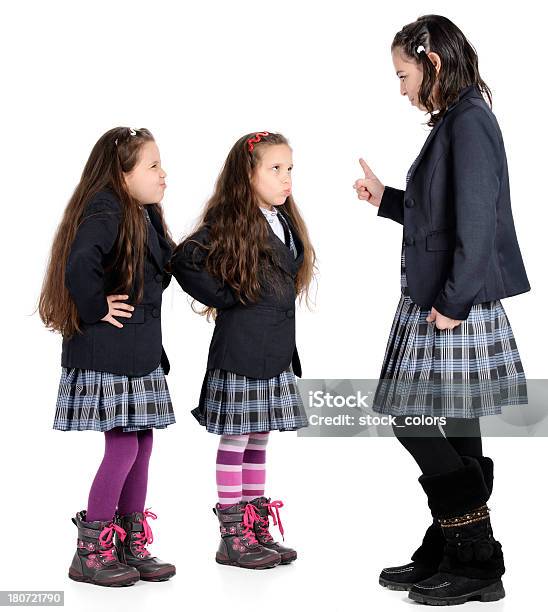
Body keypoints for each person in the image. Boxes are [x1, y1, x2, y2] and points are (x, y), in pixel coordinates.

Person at [353, 15, 530, 606]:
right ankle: (456, 549)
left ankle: (474, 554)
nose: (401, 89)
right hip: (443, 298)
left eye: (404, 75)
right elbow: (443, 214)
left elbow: (478, 226)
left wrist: (453, 302)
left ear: (431, 63)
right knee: (458, 424)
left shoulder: (470, 123)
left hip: (452, 302)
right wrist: (388, 200)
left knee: (412, 417)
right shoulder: (457, 120)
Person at [171, 131, 315, 569]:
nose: (286, 177)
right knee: (236, 439)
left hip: (273, 355)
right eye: (275, 169)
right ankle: (231, 535)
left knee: (259, 438)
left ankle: (253, 525)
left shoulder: (283, 220)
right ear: (247, 174)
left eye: (290, 168)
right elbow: (183, 259)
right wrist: (227, 294)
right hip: (242, 354)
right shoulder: (231, 220)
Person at [39, 127, 176, 586]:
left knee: (142, 443)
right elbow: (79, 263)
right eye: (153, 165)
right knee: (122, 446)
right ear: (123, 173)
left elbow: (168, 268)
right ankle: (90, 552)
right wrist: (97, 307)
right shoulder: (107, 207)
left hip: (137, 352)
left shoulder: (143, 214)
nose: (163, 174)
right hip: (110, 353)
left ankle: (127, 540)